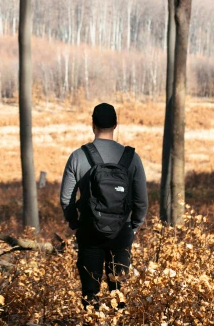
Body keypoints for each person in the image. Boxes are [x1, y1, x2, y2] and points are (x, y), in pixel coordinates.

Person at [60, 103, 148, 309]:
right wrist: (133, 226)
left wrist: (75, 222)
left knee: (90, 294)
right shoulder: (132, 158)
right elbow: (141, 201)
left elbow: (66, 198)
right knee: (119, 292)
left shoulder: (78, 156)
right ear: (116, 124)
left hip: (89, 232)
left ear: (92, 124)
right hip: (121, 233)